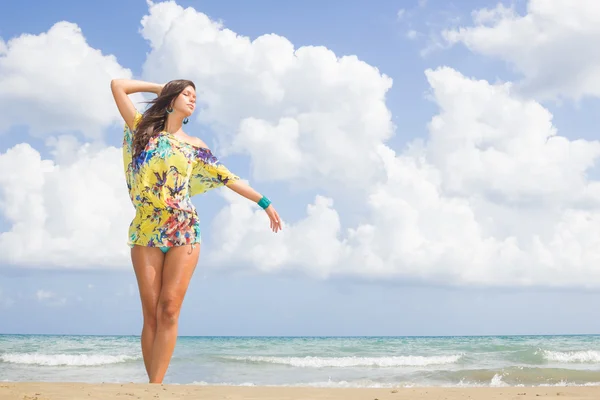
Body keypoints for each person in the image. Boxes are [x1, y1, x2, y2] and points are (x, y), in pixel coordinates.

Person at [110, 78, 282, 384]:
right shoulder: (142, 129)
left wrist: (264, 201)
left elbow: (229, 178)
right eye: (186, 94)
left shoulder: (195, 146)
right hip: (146, 229)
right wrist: (159, 87)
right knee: (150, 314)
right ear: (172, 98)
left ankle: (155, 387)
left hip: (184, 229)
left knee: (169, 310)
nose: (193, 99)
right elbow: (117, 86)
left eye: (195, 96)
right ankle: (154, 385)